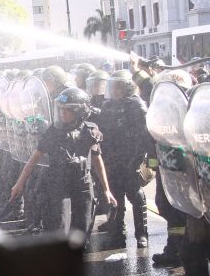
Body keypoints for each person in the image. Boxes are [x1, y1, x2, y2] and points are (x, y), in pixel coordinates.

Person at [9, 87, 114, 241]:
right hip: (58, 182)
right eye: (61, 109)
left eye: (68, 110)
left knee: (83, 227)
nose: (63, 113)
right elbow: (33, 160)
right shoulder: (53, 132)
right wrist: (19, 184)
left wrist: (106, 189)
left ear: (80, 112)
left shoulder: (89, 130)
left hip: (83, 183)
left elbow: (97, 160)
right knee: (59, 225)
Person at [97, 70, 151, 249]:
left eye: (118, 87)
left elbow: (143, 135)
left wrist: (138, 159)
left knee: (136, 196)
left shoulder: (135, 104)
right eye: (112, 87)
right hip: (112, 158)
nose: (114, 91)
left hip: (131, 157)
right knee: (115, 197)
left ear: (127, 88)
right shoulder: (107, 106)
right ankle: (117, 233)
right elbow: (102, 131)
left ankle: (141, 234)